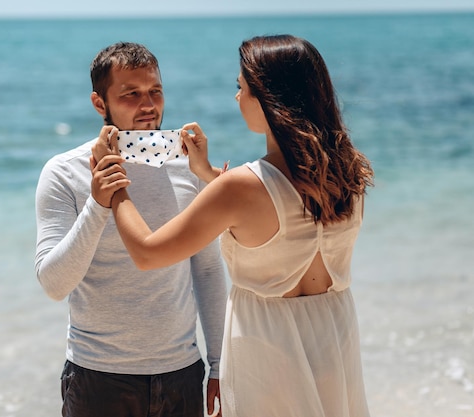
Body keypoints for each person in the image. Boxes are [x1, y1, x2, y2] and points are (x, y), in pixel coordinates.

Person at [92, 35, 374, 417]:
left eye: (241, 88)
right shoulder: (348, 171)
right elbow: (284, 220)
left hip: (269, 350)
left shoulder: (240, 187)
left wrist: (114, 181)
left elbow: (147, 253)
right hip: (333, 339)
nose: (237, 98)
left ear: (268, 100)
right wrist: (207, 175)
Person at [34, 41, 227, 417]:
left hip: (182, 373)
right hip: (98, 376)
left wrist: (219, 365)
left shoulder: (191, 167)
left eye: (155, 91)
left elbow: (206, 269)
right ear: (98, 103)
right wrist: (98, 202)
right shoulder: (63, 172)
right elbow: (53, 285)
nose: (149, 105)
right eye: (131, 95)